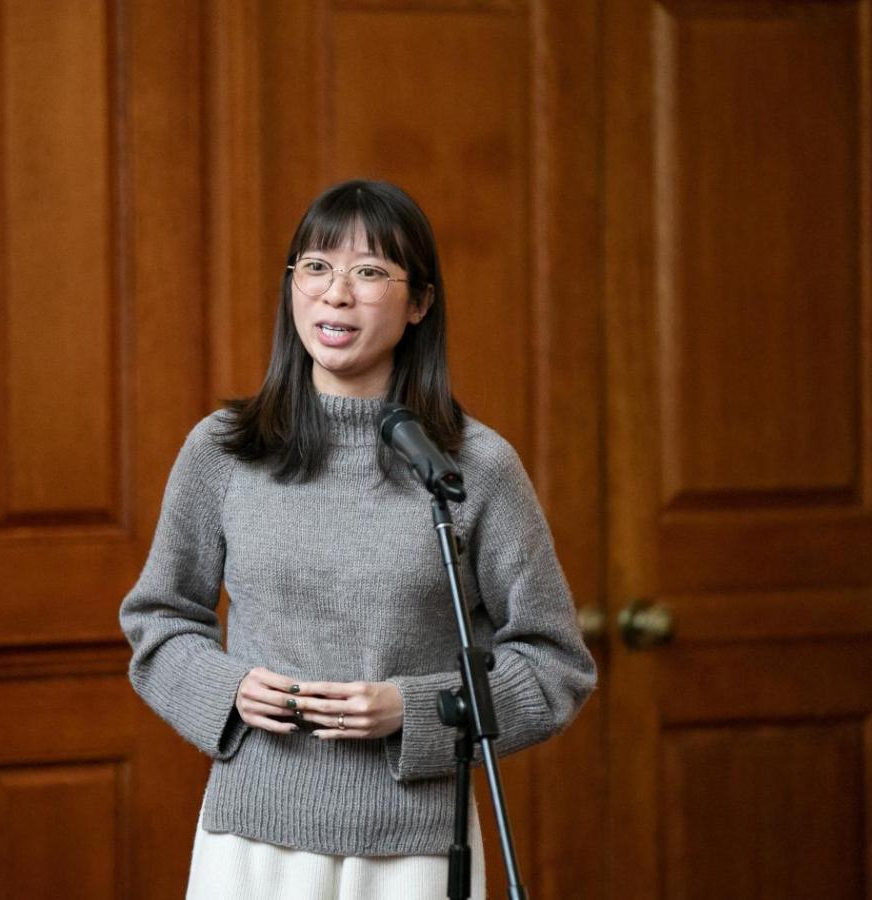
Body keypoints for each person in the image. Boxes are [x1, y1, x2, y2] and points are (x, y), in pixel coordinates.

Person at [119, 179, 596, 899]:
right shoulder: (224, 451)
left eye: (370, 272)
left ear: (419, 304)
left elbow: (555, 663)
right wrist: (230, 688)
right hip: (250, 840)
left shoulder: (473, 467)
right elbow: (158, 620)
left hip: (414, 849)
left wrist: (415, 709)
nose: (336, 293)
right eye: (315, 267)